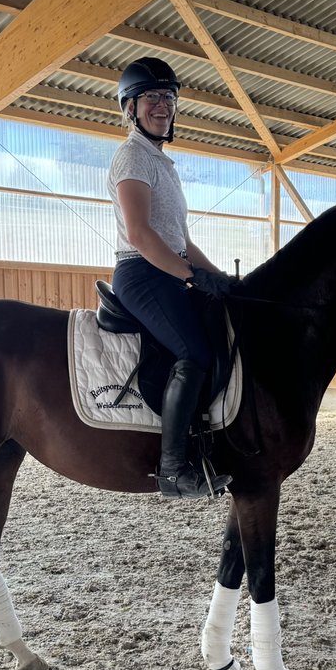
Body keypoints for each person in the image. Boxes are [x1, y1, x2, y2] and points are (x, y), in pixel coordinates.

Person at [106, 57, 236, 499]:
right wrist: (192, 277)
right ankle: (173, 469)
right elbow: (142, 235)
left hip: (166, 267)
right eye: (151, 98)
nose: (162, 106)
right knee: (194, 352)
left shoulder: (164, 164)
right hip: (141, 273)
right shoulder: (131, 157)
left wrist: (222, 280)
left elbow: (181, 240)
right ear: (130, 108)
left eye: (168, 98)